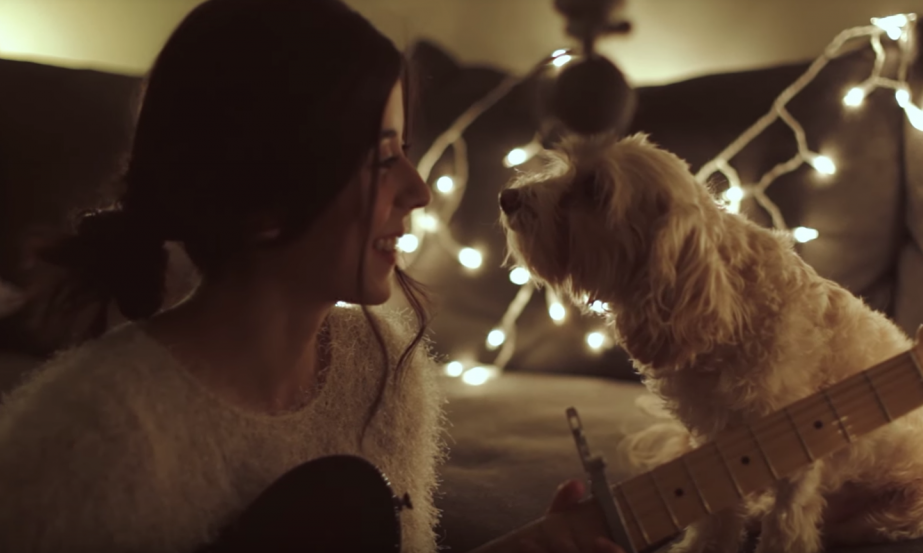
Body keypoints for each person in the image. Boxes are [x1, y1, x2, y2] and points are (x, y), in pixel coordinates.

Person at [0, 1, 625, 552]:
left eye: (406, 148)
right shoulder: (90, 440)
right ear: (267, 196)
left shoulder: (379, 357)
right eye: (383, 156)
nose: (418, 190)